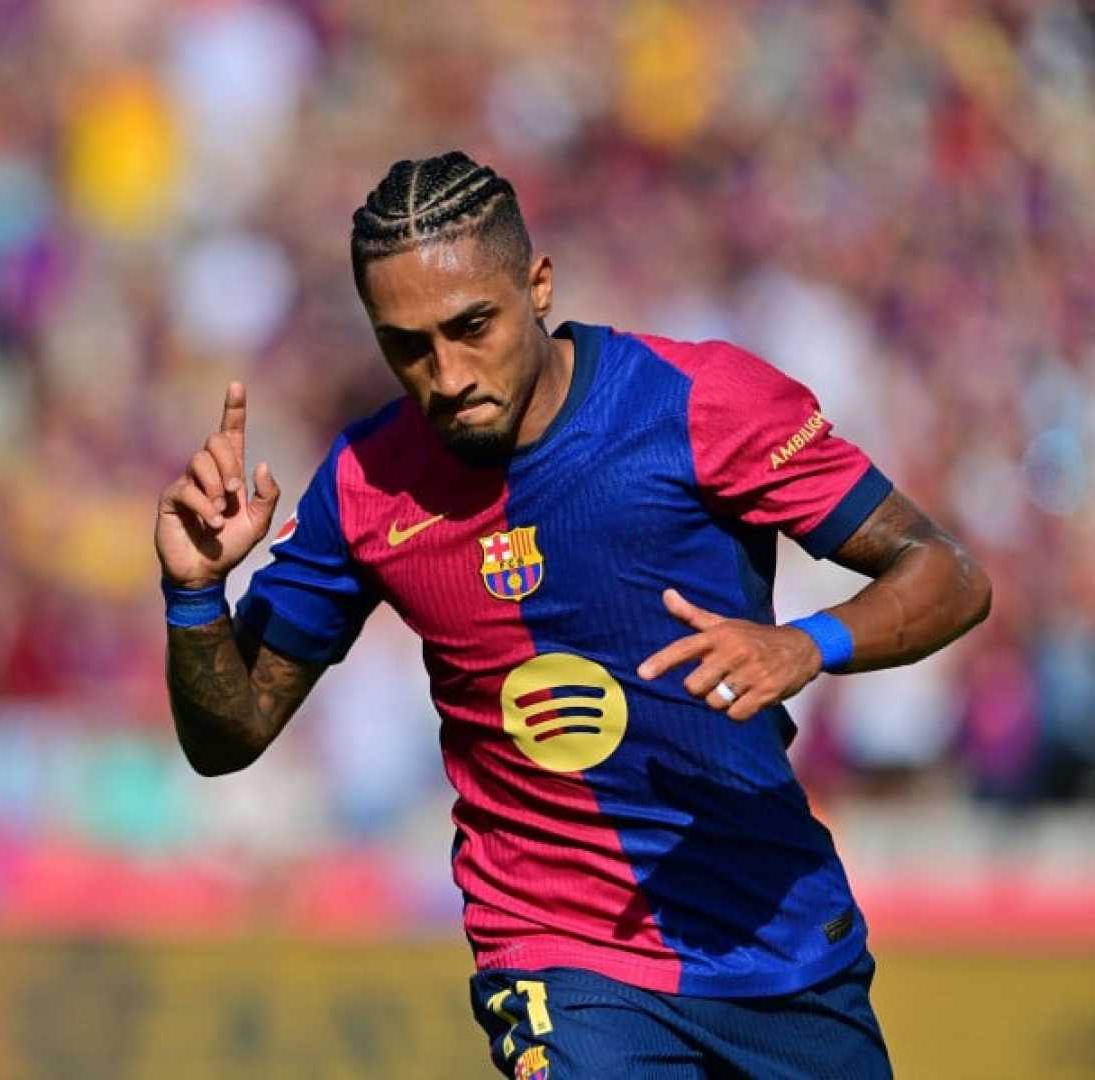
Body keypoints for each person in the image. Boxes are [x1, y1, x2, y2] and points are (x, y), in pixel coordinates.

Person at [153, 151, 990, 1078]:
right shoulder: (365, 484)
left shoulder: (701, 403)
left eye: (473, 326)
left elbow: (945, 572)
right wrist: (194, 594)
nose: (447, 373)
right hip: (559, 953)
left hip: (775, 935)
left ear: (538, 284)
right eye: (407, 346)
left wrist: (808, 643)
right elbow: (227, 735)